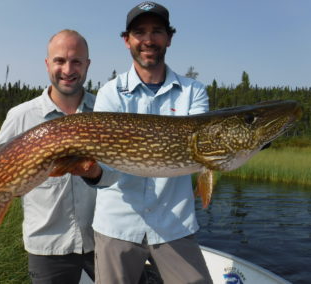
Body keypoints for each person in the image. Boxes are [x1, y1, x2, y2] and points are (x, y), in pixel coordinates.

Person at [80, 2, 213, 283]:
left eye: (157, 31)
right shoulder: (110, 94)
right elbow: (108, 168)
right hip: (118, 224)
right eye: (140, 32)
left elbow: (204, 151)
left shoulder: (193, 92)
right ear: (127, 40)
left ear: (169, 38)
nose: (149, 40)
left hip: (173, 224)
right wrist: (93, 173)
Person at [0, 29, 98, 284]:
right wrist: (11, 185)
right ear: (48, 63)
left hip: (102, 241)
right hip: (48, 247)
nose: (68, 69)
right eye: (60, 60)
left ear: (87, 65)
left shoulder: (106, 110)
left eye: (76, 61)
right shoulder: (21, 116)